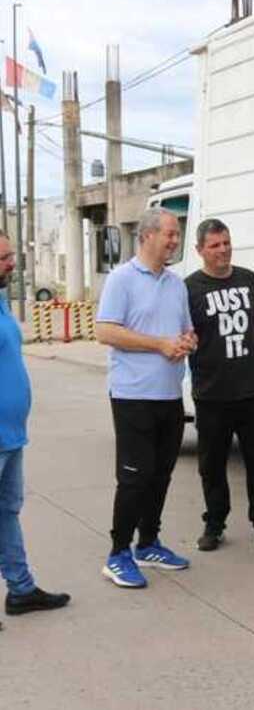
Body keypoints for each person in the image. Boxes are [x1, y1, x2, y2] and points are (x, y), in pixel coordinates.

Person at [96, 208, 197, 589]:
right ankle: (118, 553)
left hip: (169, 395)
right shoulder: (121, 279)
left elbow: (186, 330)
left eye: (176, 235)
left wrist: (188, 341)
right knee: (134, 477)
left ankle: (148, 543)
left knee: (160, 474)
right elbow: (105, 331)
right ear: (147, 236)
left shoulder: (176, 284)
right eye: (170, 234)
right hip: (132, 395)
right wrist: (159, 344)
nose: (174, 240)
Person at [186, 218, 254, 553]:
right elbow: (181, 334)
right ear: (200, 250)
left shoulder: (248, 280)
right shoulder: (189, 289)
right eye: (215, 245)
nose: (223, 250)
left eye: (226, 243)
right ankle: (214, 524)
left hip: (250, 393)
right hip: (211, 396)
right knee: (211, 468)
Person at [0, 230, 70, 629]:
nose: (12, 264)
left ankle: (21, 589)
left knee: (8, 511)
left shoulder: (2, 302)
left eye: (11, 256)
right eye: (5, 258)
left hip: (11, 435)